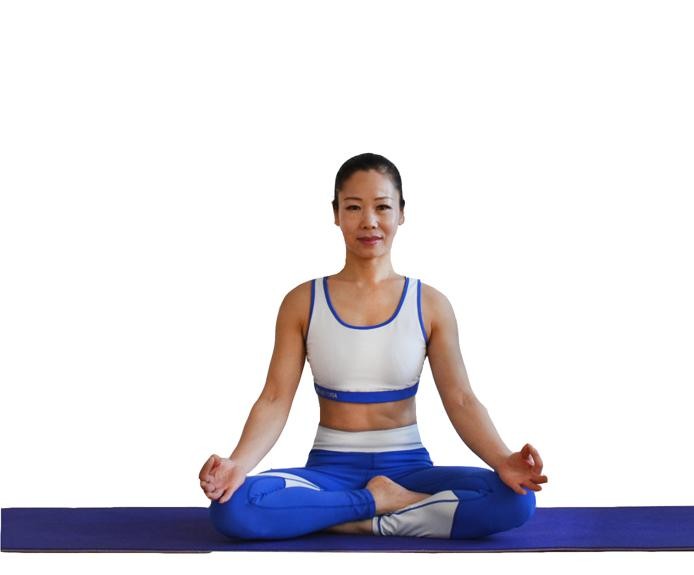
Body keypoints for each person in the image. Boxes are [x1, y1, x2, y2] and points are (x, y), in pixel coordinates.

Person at [199, 153, 548, 540]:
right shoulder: (301, 302)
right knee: (233, 508)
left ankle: (340, 518)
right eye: (353, 207)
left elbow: (462, 399)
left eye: (382, 207)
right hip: (329, 471)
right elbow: (275, 398)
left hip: (409, 469)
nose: (369, 221)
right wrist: (237, 463)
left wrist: (502, 459)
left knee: (514, 500)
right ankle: (383, 505)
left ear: (401, 213)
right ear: (336, 214)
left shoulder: (430, 304)